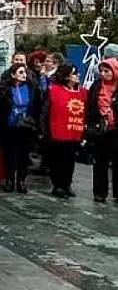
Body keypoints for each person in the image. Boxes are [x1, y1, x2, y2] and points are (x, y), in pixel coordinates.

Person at [0, 62, 41, 193]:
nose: (24, 75)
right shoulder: (3, 88)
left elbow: (37, 107)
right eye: (20, 72)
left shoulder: (32, 88)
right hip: (9, 125)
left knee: (23, 155)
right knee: (9, 154)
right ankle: (9, 180)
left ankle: (21, 181)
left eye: (25, 72)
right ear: (13, 74)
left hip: (26, 126)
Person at [41, 64, 85, 199]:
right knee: (58, 159)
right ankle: (58, 185)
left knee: (70, 160)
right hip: (57, 132)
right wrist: (43, 130)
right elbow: (45, 111)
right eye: (74, 73)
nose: (77, 75)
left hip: (74, 131)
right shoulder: (54, 90)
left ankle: (67, 184)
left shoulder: (82, 92)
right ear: (66, 76)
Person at [87, 58, 118, 202]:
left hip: (115, 129)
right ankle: (100, 192)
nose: (103, 73)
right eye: (102, 71)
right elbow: (91, 104)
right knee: (100, 162)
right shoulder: (97, 85)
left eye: (107, 71)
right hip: (100, 129)